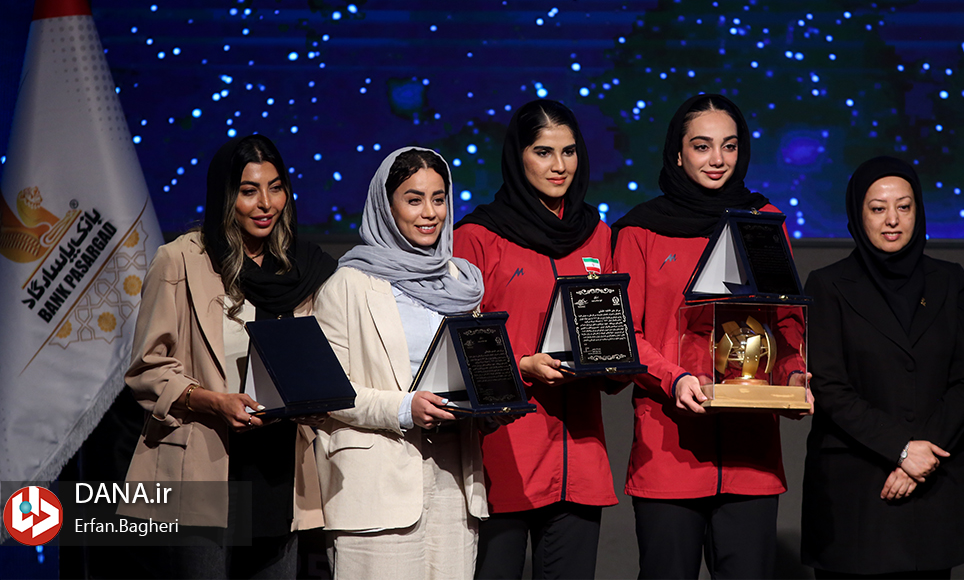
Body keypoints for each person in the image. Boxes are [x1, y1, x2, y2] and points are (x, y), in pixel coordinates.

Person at [611, 93, 809, 579]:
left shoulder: (762, 221)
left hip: (750, 454)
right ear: (678, 154)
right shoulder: (640, 230)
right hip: (668, 449)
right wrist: (674, 378)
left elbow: (786, 320)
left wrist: (792, 373)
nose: (717, 159)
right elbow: (625, 333)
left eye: (729, 146)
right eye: (702, 146)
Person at [121, 134, 335, 578]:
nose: (266, 204)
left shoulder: (303, 268)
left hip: (279, 469)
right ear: (225, 195)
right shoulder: (180, 260)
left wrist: (313, 399)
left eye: (276, 188)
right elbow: (146, 369)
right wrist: (214, 401)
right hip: (204, 464)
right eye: (249, 191)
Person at [454, 99, 618, 579]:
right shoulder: (477, 236)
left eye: (569, 152)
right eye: (544, 152)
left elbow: (609, 330)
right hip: (504, 449)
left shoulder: (597, 234)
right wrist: (521, 364)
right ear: (518, 155)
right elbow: (458, 344)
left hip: (579, 453)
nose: (559, 166)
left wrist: (614, 361)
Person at [801, 156, 964, 579]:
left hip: (930, 487)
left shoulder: (949, 280)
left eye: (904, 206)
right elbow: (829, 386)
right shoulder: (827, 285)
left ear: (918, 210)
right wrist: (902, 449)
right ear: (857, 214)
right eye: (878, 208)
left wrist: (922, 455)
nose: (892, 220)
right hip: (856, 493)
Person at [313, 147, 489, 580]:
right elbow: (328, 391)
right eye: (414, 200)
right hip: (376, 486)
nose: (430, 213)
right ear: (386, 206)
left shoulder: (461, 283)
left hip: (453, 481)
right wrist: (403, 408)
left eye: (439, 199)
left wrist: (490, 401)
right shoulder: (348, 284)